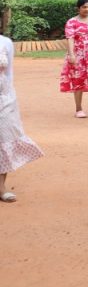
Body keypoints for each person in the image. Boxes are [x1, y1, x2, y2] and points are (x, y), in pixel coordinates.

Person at [1, 34, 44, 202]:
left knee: (4, 139)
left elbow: (9, 73)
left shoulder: (5, 42)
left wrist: (10, 99)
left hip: (3, 98)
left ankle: (1, 187)